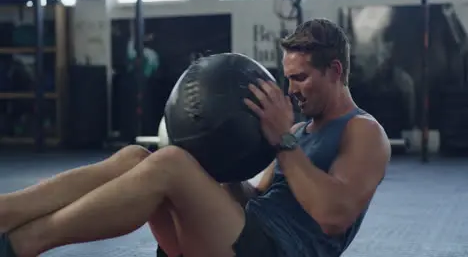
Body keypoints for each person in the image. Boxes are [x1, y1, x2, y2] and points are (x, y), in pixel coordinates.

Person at [0, 18, 390, 257]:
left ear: (335, 71)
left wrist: (280, 142)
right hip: (238, 234)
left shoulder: (365, 131)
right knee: (140, 157)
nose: (291, 90)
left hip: (275, 250)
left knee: (170, 164)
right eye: (287, 79)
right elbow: (256, 198)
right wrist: (219, 159)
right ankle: (8, 210)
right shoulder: (299, 131)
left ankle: (23, 245)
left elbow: (334, 215)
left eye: (301, 78)